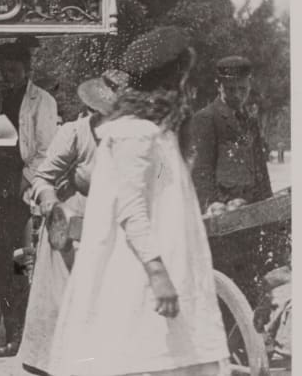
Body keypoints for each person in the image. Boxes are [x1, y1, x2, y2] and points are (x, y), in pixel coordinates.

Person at [49, 27, 228, 376]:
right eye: (184, 79)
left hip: (167, 261)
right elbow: (131, 210)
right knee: (142, 354)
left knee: (169, 355)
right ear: (172, 80)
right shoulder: (134, 133)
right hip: (139, 270)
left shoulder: (158, 131)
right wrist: (158, 274)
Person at [18, 69, 127, 375]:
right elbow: (42, 179)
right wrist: (53, 207)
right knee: (62, 314)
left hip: (110, 234)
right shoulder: (74, 133)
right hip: (69, 238)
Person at [0, 40, 59, 358]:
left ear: (26, 68)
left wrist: (21, 184)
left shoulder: (41, 102)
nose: (8, 75)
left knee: (17, 264)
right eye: (4, 69)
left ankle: (17, 334)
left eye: (14, 69)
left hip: (21, 188)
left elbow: (46, 153)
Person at [185, 55, 272, 214]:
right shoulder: (206, 118)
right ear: (219, 85)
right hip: (224, 210)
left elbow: (260, 168)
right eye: (231, 89)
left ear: (249, 84)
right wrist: (211, 204)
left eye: (243, 89)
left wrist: (268, 202)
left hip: (253, 208)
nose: (238, 95)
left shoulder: (250, 121)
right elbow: (201, 170)